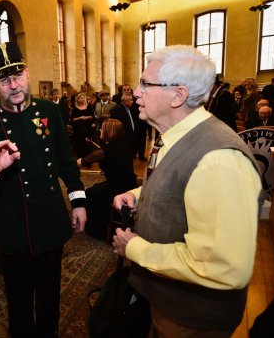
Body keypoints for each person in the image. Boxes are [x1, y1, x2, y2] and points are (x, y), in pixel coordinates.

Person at [112, 45, 262, 337]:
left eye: (145, 84)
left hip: (191, 320)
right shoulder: (176, 136)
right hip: (167, 304)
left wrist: (134, 248)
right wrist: (137, 194)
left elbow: (221, 267)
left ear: (177, 95)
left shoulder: (219, 160)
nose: (136, 93)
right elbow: (181, 182)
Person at [0, 41, 87, 338]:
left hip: (51, 222)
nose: (13, 85)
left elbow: (66, 161)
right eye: (4, 80)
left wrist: (78, 201)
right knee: (18, 303)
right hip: (12, 229)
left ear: (27, 74)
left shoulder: (49, 111)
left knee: (50, 298)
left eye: (17, 76)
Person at [77, 119, 137, 240]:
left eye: (103, 128)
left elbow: (82, 161)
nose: (100, 130)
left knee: (89, 193)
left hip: (118, 188)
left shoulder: (105, 151)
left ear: (108, 131)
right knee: (95, 189)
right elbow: (118, 163)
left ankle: (97, 230)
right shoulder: (124, 145)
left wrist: (78, 162)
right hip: (129, 184)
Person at [110, 93, 146, 160]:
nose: (133, 102)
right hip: (123, 138)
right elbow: (116, 126)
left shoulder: (127, 108)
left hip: (128, 138)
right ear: (126, 101)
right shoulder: (117, 109)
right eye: (131, 100)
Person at [69, 91, 95, 159]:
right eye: (80, 98)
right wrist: (80, 118)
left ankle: (88, 158)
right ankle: (80, 157)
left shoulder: (88, 106)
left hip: (87, 127)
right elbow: (72, 120)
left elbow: (92, 116)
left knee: (87, 142)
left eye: (83, 97)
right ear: (77, 99)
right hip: (78, 128)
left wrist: (87, 117)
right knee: (80, 142)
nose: (82, 99)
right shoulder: (75, 108)